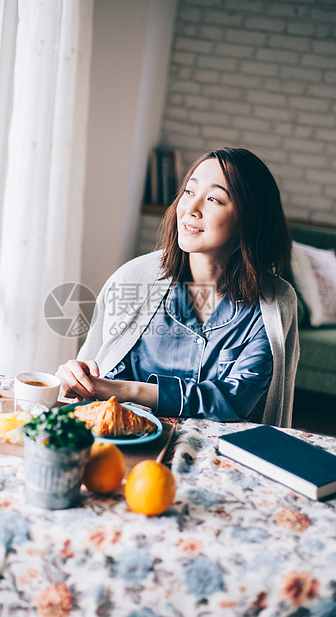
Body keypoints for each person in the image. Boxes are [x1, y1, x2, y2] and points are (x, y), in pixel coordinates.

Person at [56, 147, 299, 427]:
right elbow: (91, 378)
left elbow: (236, 399)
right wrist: (76, 375)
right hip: (122, 442)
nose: (191, 210)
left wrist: (128, 390)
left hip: (214, 458)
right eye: (188, 192)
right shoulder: (134, 279)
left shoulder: (273, 304)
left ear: (248, 220)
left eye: (213, 199)